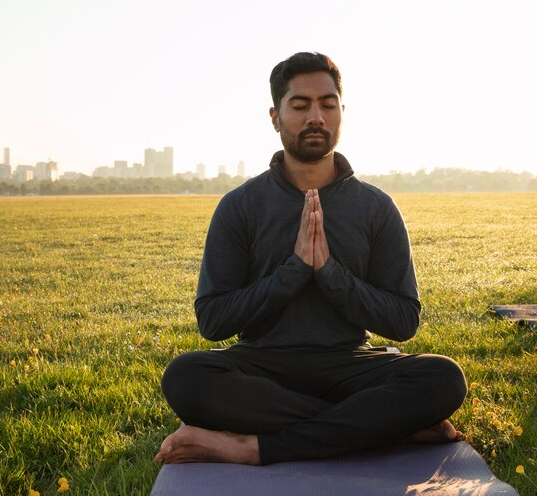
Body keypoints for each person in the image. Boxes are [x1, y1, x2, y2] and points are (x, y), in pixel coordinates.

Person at [155, 52, 467, 465]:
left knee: (443, 377)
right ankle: (385, 429)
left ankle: (252, 448)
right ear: (275, 116)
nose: (315, 116)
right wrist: (295, 270)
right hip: (263, 368)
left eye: (327, 104)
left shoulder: (375, 207)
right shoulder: (241, 206)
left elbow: (403, 321)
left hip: (350, 365)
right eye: (300, 106)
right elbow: (213, 321)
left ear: (341, 112)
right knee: (186, 377)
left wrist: (329, 273)